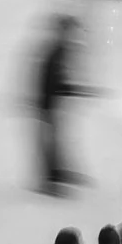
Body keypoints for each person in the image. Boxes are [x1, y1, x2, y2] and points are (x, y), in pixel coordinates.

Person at [33, 15, 89, 193]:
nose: (72, 35)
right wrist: (71, 89)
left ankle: (56, 172)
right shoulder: (54, 51)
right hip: (48, 104)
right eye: (69, 31)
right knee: (49, 141)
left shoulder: (61, 50)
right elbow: (51, 81)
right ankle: (48, 179)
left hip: (54, 104)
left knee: (56, 140)